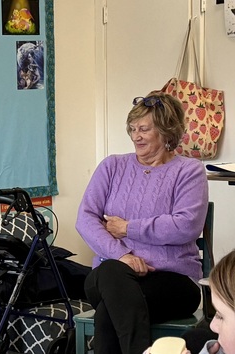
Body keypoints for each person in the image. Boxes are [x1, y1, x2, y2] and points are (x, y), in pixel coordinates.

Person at [76, 91, 209, 354]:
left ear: (166, 131)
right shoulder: (112, 166)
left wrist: (127, 228)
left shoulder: (189, 171)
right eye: (133, 129)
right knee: (111, 272)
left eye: (144, 129)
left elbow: (187, 225)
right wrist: (122, 255)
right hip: (111, 274)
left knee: (108, 311)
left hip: (173, 281)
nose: (136, 136)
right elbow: (85, 219)